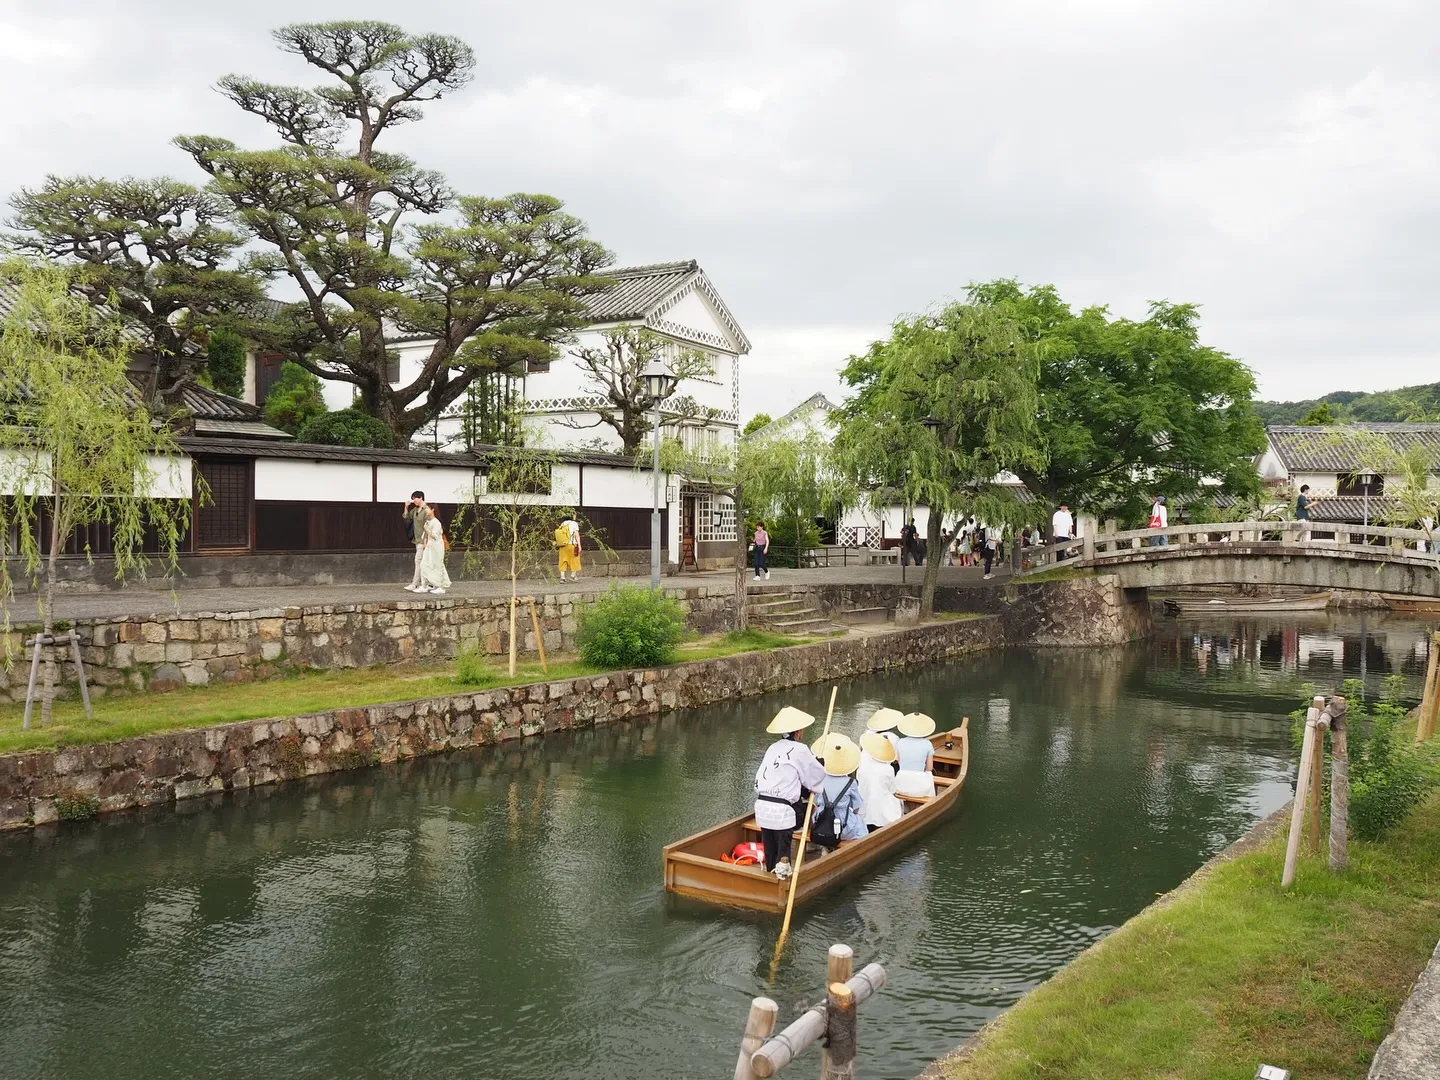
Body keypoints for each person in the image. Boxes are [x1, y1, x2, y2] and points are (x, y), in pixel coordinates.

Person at [753, 706, 825, 877]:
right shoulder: (800, 749)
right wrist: (820, 764)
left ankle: (770, 875)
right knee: (783, 850)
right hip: (783, 813)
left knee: (770, 847)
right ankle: (782, 879)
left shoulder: (772, 748)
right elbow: (815, 778)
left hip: (762, 808)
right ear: (798, 732)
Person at [809, 732, 868, 848]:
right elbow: (857, 807)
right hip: (842, 826)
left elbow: (816, 801)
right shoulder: (851, 783)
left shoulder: (821, 779)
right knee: (861, 825)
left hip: (820, 823)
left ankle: (824, 847)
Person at [857, 730, 902, 831]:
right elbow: (892, 789)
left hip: (864, 802)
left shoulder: (863, 766)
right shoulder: (888, 769)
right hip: (880, 804)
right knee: (894, 799)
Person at [894, 712, 937, 798]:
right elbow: (929, 768)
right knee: (929, 774)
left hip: (900, 784)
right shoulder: (927, 743)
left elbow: (900, 762)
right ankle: (931, 800)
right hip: (920, 788)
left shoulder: (900, 742)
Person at [402, 491, 430, 592]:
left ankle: (415, 584)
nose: (413, 501)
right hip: (417, 539)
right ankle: (426, 583)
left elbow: (429, 526)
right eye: (413, 499)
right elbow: (406, 517)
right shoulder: (415, 510)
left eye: (414, 498)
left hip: (423, 540)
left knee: (418, 561)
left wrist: (426, 540)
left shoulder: (427, 510)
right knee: (422, 562)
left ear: (421, 498)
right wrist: (406, 507)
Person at [419, 511, 450, 594]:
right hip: (430, 546)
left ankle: (440, 586)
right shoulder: (429, 521)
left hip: (436, 546)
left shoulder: (436, 522)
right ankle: (425, 585)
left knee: (437, 565)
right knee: (424, 564)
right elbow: (425, 535)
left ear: (432, 510)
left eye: (427, 508)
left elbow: (435, 536)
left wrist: (427, 529)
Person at [555, 515, 582, 581]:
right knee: (575, 560)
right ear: (571, 517)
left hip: (563, 545)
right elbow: (577, 535)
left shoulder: (562, 524)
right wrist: (579, 545)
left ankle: (562, 577)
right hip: (572, 545)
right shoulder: (574, 524)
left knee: (563, 560)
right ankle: (573, 576)